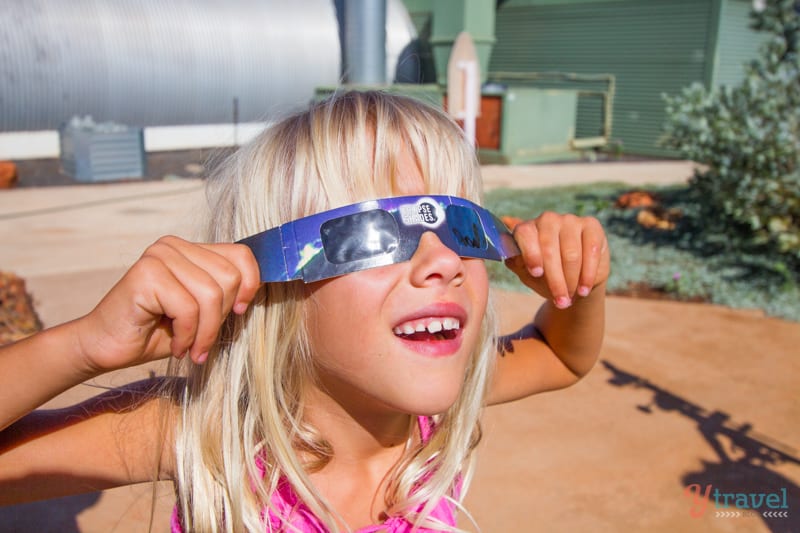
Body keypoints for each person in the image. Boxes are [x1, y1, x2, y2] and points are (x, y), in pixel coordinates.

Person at [0, 90, 609, 532]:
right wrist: (84, 346)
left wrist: (576, 284)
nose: (443, 261)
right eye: (375, 234)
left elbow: (561, 355)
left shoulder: (431, 412)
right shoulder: (211, 436)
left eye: (462, 227)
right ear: (273, 286)